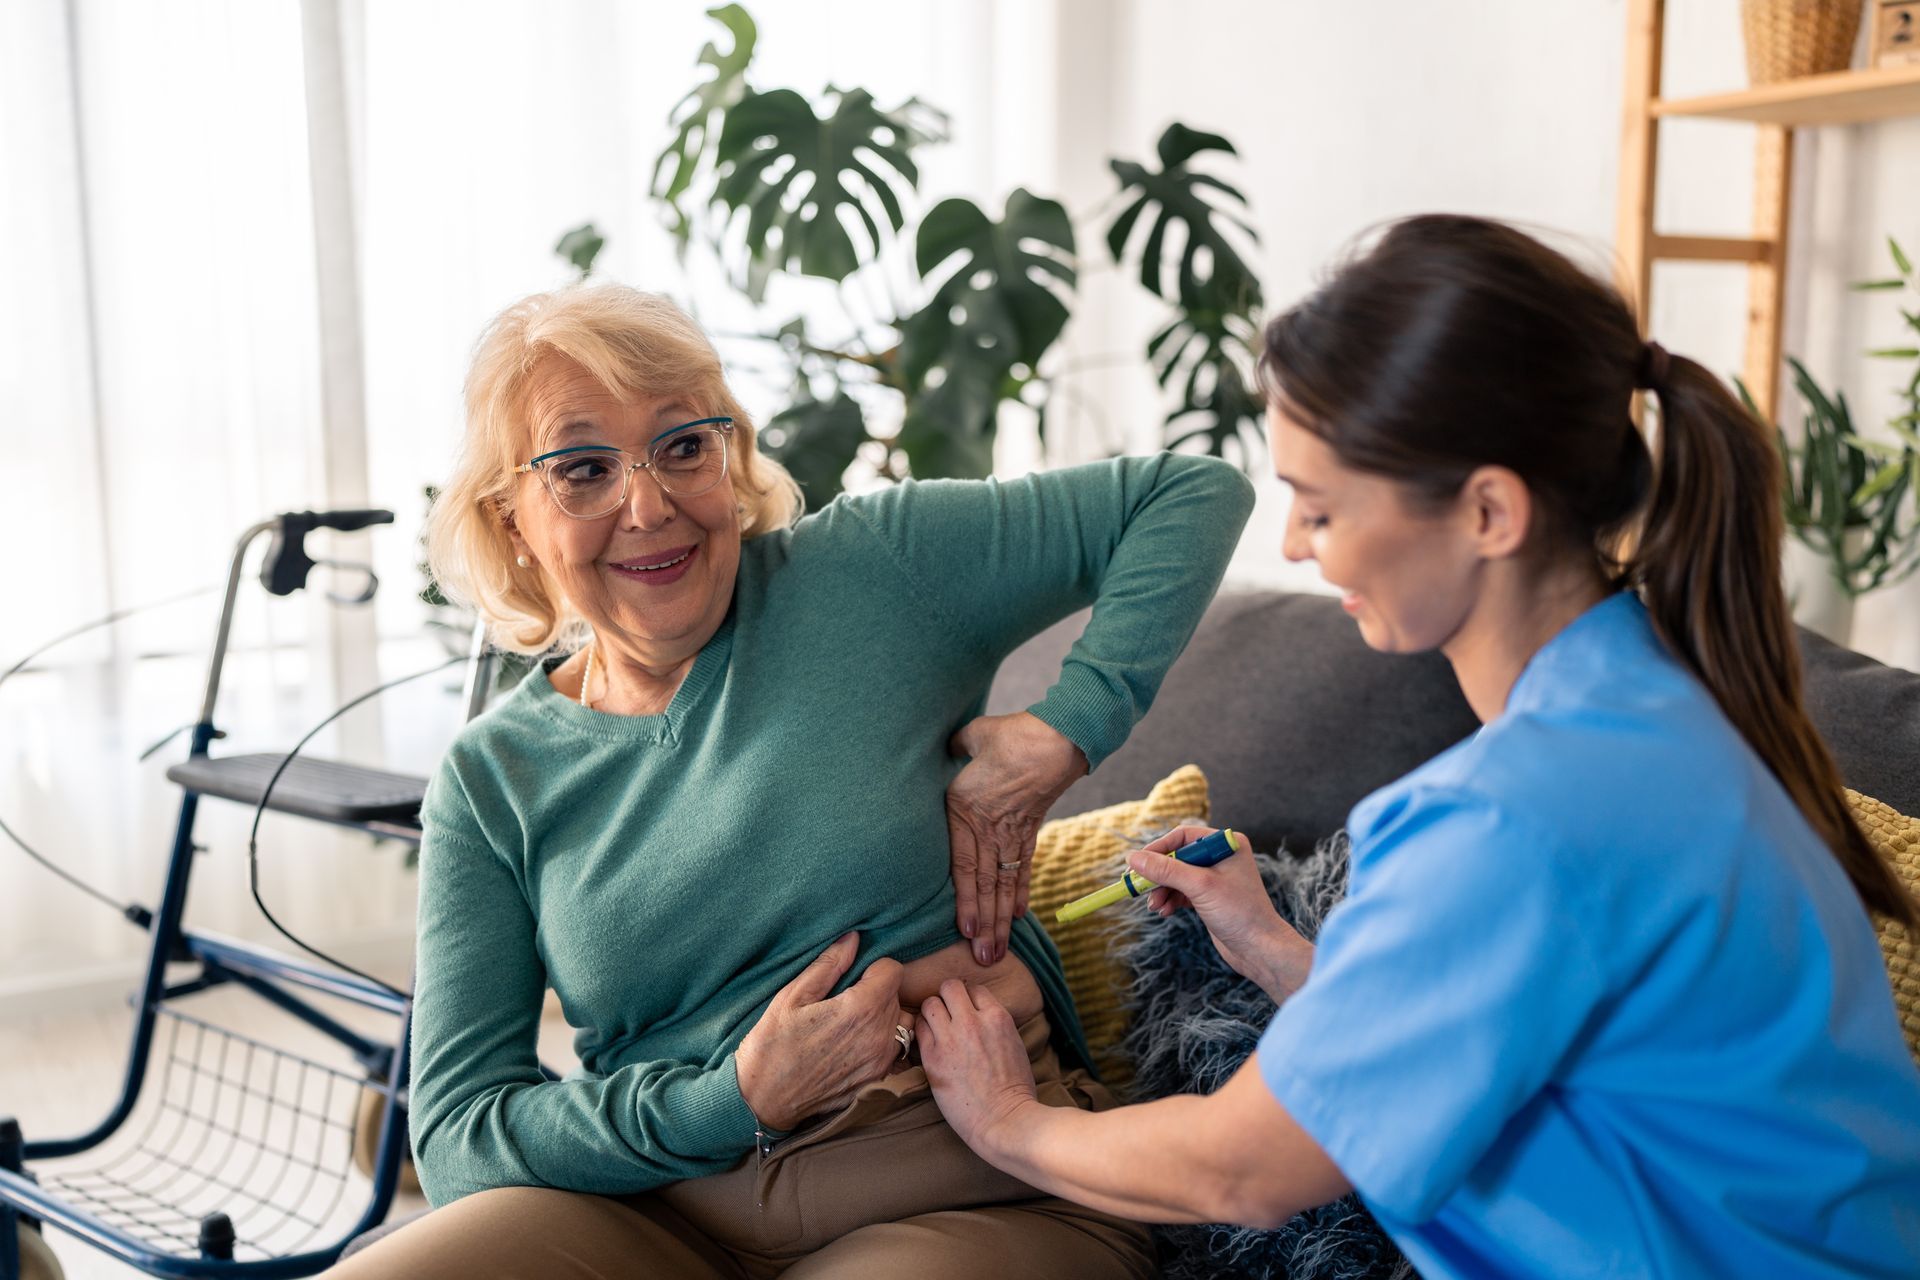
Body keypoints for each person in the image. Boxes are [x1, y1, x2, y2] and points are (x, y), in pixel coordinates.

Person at [916, 214, 1920, 1279]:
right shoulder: (1671, 715)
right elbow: (1504, 1030)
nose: (1297, 543)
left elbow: (1242, 1170)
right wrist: (1274, 951)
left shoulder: (1513, 812)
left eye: (1321, 502)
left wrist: (1006, 1121)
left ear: (1489, 509)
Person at [329, 282, 1253, 1278]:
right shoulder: (490, 778)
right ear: (513, 517)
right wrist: (730, 1099)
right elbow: (462, 1136)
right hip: (656, 1209)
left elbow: (1189, 493)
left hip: (966, 1177)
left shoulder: (867, 571)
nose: (649, 504)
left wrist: (1065, 731)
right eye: (585, 468)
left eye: (685, 446)